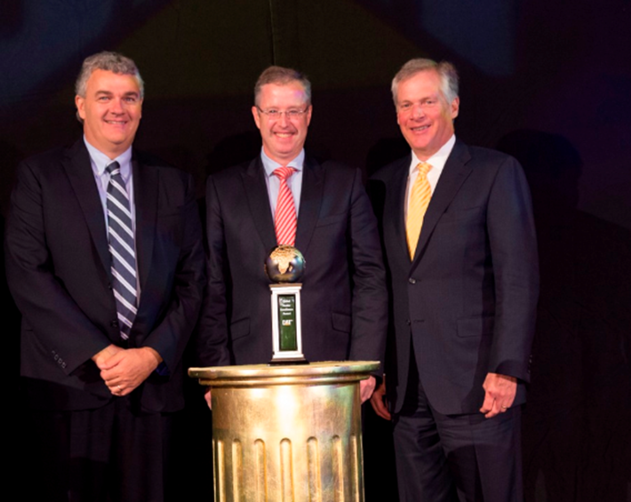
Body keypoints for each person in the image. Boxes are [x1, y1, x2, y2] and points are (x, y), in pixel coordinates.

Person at [6, 51, 205, 501]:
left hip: (152, 392)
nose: (119, 108)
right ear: (80, 105)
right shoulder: (40, 177)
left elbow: (195, 280)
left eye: (129, 97)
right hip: (71, 389)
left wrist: (151, 355)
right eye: (104, 97)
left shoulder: (173, 183)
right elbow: (27, 274)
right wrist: (102, 353)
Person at [369, 58, 538, 501]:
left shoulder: (494, 172)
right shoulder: (383, 185)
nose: (416, 114)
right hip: (407, 393)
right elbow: (388, 285)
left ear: (454, 105)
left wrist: (507, 368)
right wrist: (383, 368)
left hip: (478, 386)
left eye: (428, 101)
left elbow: (517, 278)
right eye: (406, 104)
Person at [198, 66, 387, 404]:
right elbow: (213, 284)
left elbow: (370, 277)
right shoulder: (223, 190)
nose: (283, 122)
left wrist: (365, 366)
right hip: (248, 367)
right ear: (257, 116)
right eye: (273, 111)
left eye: (293, 111)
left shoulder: (344, 184)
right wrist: (216, 371)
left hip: (333, 367)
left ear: (309, 114)